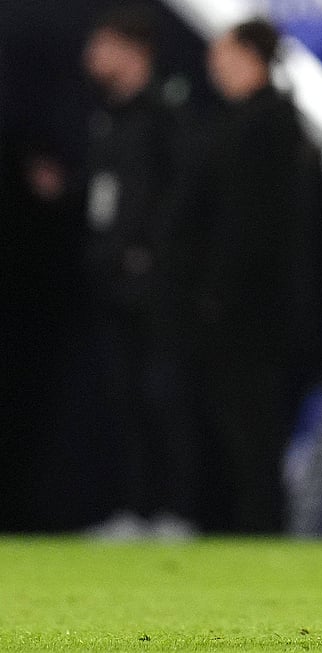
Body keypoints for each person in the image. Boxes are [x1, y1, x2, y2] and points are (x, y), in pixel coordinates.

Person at [172, 18, 312, 533]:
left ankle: (256, 524)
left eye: (226, 59)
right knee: (238, 423)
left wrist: (217, 291)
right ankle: (242, 522)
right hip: (247, 303)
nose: (216, 70)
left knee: (250, 425)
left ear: (252, 59)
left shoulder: (264, 127)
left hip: (250, 308)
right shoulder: (259, 122)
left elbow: (250, 224)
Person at [79, 4, 199, 539]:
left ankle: (175, 510)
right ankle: (135, 508)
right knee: (121, 399)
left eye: (104, 44)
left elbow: (178, 197)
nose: (92, 56)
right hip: (109, 279)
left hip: (154, 284)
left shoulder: (163, 116)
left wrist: (148, 251)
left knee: (162, 396)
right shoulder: (107, 114)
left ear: (133, 51)